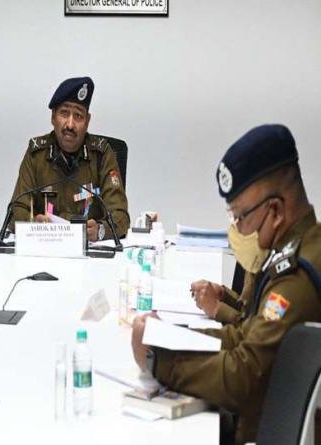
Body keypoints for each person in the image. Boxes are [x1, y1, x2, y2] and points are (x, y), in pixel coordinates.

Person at [131, 124, 321, 444]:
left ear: (275, 211)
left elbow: (244, 378)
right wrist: (169, 337)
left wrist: (159, 361)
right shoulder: (297, 247)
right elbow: (243, 334)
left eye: (240, 217)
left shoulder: (296, 278)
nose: (237, 229)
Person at [9, 76, 129, 242]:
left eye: (78, 116)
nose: (70, 125)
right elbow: (17, 210)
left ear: (87, 121)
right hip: (46, 246)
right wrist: (33, 224)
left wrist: (101, 231)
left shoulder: (101, 154)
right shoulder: (36, 154)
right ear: (53, 117)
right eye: (64, 113)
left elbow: (120, 216)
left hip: (89, 251)